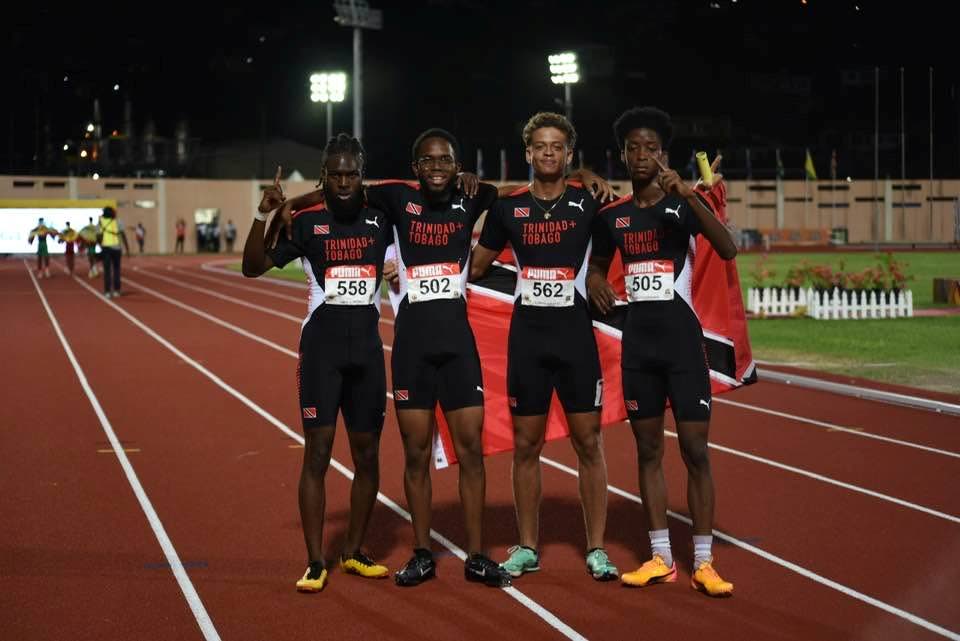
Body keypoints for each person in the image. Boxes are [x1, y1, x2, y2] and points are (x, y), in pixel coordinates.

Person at [279, 129, 512, 588]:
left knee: (471, 452)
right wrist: (294, 202)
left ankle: (478, 555)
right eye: (428, 160)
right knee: (415, 455)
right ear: (416, 168)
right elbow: (344, 186)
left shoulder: (473, 196)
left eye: (446, 159)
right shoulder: (396, 200)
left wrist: (580, 174)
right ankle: (423, 552)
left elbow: (510, 190)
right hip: (412, 348)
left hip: (458, 345)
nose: (438, 167)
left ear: (457, 164)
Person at [587, 106, 737, 597]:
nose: (641, 155)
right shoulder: (613, 216)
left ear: (664, 155)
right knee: (647, 451)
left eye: (650, 147)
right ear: (623, 156)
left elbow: (727, 247)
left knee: (695, 451)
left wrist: (689, 193)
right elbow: (598, 263)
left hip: (682, 348)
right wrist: (592, 279)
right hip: (639, 350)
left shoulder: (680, 207)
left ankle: (705, 561)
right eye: (633, 148)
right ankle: (660, 558)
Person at [470, 112, 618, 581]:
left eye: (557, 146)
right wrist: (413, 267)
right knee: (526, 445)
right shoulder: (508, 209)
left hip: (575, 340)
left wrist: (595, 273)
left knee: (588, 442)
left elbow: (617, 239)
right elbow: (474, 266)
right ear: (528, 153)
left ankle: (596, 548)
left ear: (569, 154)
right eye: (540, 146)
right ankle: (527, 546)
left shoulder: (588, 202)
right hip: (528, 341)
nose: (548, 153)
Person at [244, 139, 391, 593]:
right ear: (324, 176)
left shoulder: (382, 217)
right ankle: (314, 561)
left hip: (367, 355)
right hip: (322, 354)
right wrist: (262, 214)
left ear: (361, 173)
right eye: (335, 174)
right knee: (318, 455)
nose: (344, 182)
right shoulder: (305, 222)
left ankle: (354, 551)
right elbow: (252, 268)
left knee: (367, 456)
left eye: (351, 173)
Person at [99, 206, 130, 298]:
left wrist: (100, 244)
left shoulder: (101, 222)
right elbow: (123, 235)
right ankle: (117, 290)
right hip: (117, 248)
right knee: (116, 270)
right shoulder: (118, 221)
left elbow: (98, 236)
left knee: (107, 270)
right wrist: (127, 249)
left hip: (106, 248)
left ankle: (107, 291)